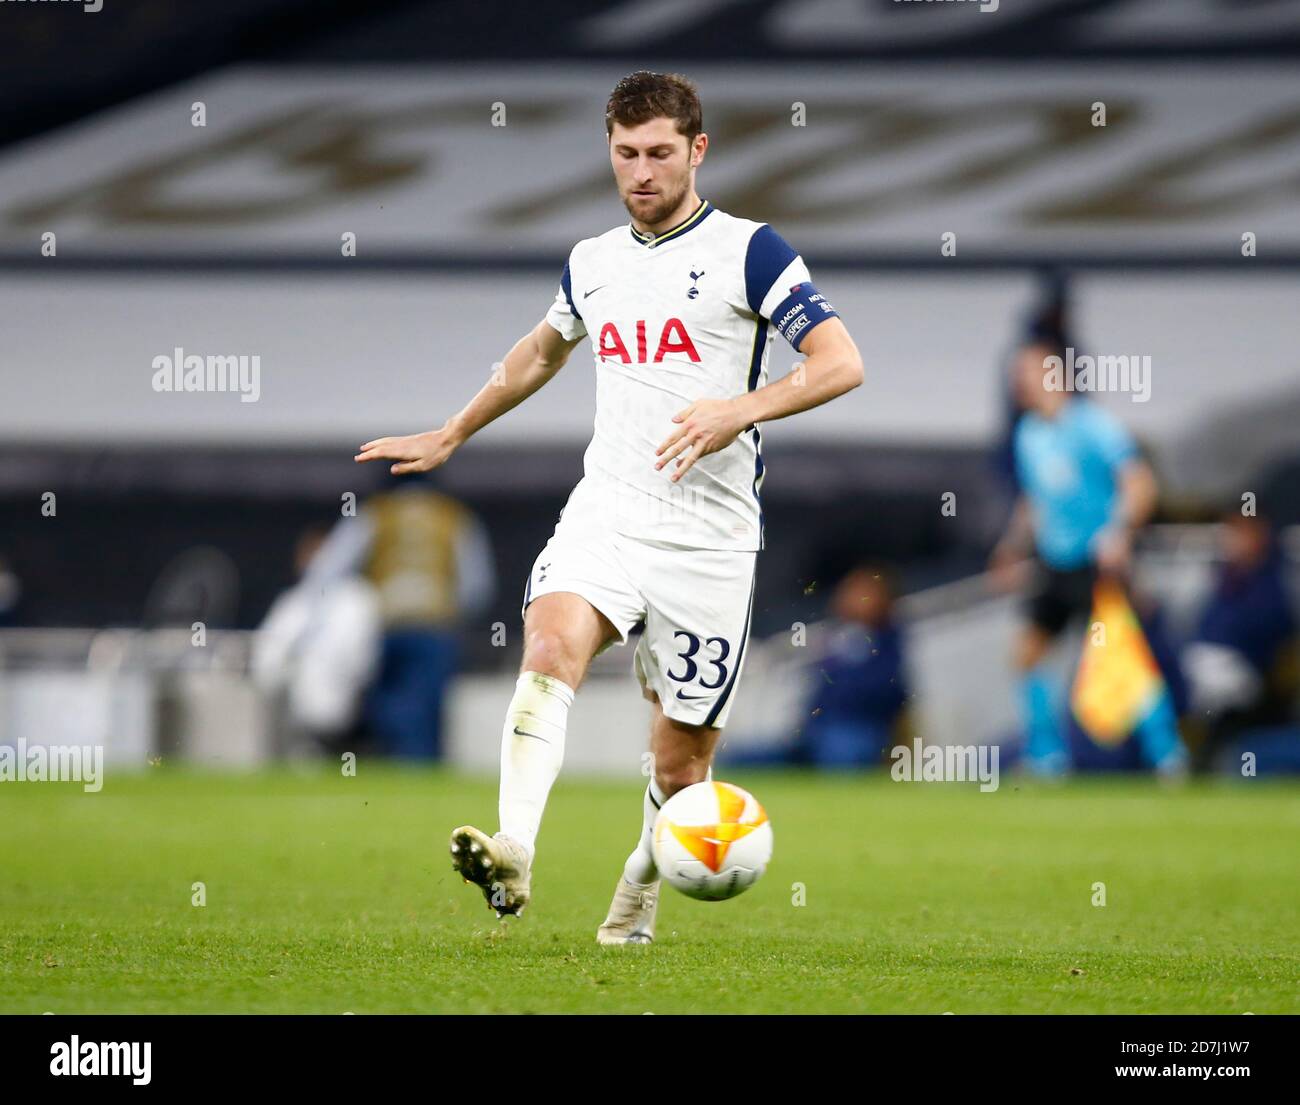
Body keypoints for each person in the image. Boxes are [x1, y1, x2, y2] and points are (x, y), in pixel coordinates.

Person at [355, 71, 863, 943]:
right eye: (625, 154)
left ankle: (639, 886)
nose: (641, 172)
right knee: (550, 641)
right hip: (611, 512)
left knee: (683, 763)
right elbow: (538, 354)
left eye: (661, 152)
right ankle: (515, 845)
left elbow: (840, 361)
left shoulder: (752, 251)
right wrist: (453, 431)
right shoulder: (593, 260)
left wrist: (737, 408)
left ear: (697, 150)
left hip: (710, 540)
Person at [988, 345, 1185, 777]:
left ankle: (1167, 754)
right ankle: (1047, 757)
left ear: (1055, 374)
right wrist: (1011, 547)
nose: (1021, 381)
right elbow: (1034, 501)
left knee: (1125, 661)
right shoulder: (1029, 434)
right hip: (1056, 566)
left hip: (1098, 564)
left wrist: (1119, 533)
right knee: (1027, 656)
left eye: (1030, 371)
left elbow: (1140, 484)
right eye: (1018, 373)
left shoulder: (1093, 425)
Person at [1184, 510, 1296, 770]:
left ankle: (1201, 759)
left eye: (1240, 533)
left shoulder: (1272, 581)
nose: (1232, 541)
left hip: (1251, 677)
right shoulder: (1225, 580)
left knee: (1213, 688)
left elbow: (1272, 634)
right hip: (1205, 666)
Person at [796, 565, 908, 768]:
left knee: (841, 749)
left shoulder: (889, 641)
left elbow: (890, 690)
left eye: (862, 593)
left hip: (862, 729)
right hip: (817, 728)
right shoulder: (834, 637)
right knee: (749, 757)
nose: (853, 599)